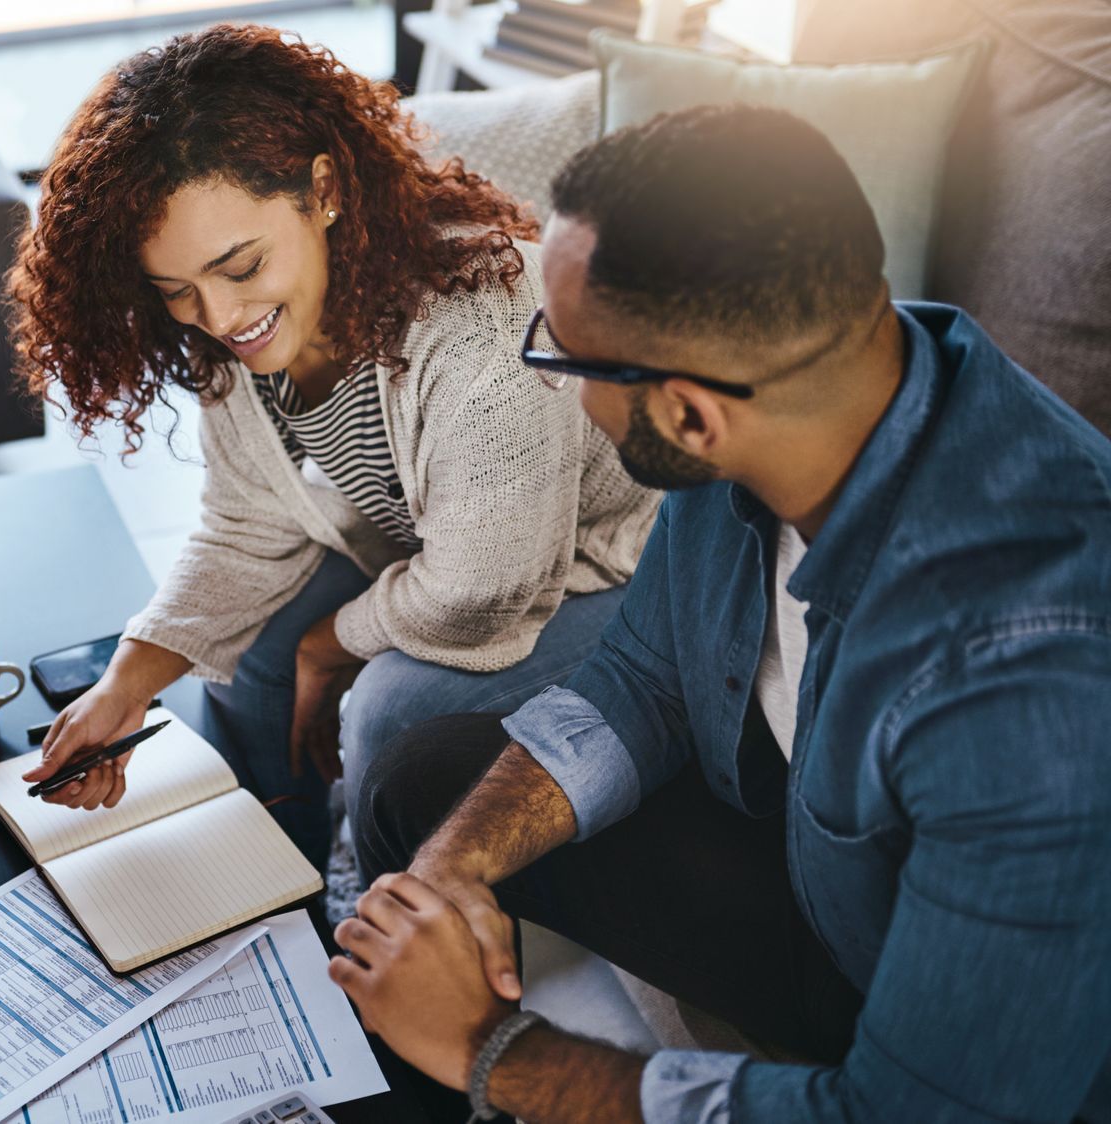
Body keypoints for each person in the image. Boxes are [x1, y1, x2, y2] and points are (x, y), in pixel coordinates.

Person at [332, 103, 1111, 1122]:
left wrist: (492, 1050)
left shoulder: (1024, 681)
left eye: (562, 358)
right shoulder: (800, 385)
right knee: (416, 786)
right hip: (816, 861)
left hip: (952, 1008)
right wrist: (456, 871)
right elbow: (644, 680)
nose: (558, 391)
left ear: (691, 414)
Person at [4, 24, 657, 867]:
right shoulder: (238, 346)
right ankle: (280, 869)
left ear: (323, 191)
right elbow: (245, 527)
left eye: (240, 267)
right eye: (177, 291)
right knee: (243, 666)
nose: (221, 317)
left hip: (623, 568)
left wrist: (332, 642)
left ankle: (377, 903)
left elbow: (479, 591)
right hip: (458, 548)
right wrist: (123, 688)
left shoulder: (482, 327)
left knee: (387, 706)